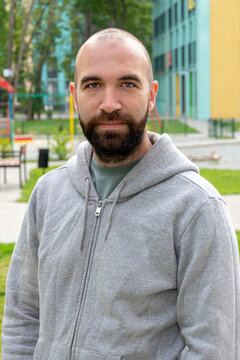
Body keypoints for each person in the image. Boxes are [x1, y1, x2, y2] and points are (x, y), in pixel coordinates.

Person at [2, 28, 240, 360]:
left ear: (152, 94)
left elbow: (214, 349)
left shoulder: (197, 209)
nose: (109, 103)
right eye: (93, 85)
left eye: (127, 84)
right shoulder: (48, 194)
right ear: (74, 95)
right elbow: (22, 318)